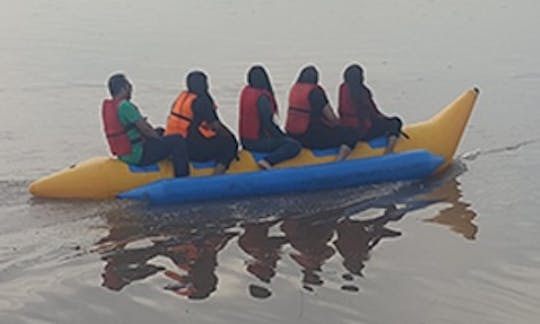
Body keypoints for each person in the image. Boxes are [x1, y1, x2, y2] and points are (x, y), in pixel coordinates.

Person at [101, 73, 189, 177]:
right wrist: (159, 140)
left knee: (161, 131)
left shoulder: (110, 107)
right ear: (124, 89)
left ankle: (167, 163)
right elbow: (146, 130)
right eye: (130, 87)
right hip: (138, 155)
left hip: (124, 154)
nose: (131, 90)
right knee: (177, 140)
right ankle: (182, 177)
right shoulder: (125, 106)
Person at [165, 71, 238, 175]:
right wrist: (230, 136)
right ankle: (220, 170)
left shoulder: (182, 97)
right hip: (194, 149)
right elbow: (215, 125)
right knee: (229, 143)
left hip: (176, 146)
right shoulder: (202, 100)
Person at [285, 66, 357, 161]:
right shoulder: (315, 92)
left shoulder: (294, 89)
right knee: (351, 135)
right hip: (311, 137)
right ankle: (339, 160)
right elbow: (331, 117)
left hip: (292, 135)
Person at [239, 65, 301, 170]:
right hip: (257, 142)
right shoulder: (262, 98)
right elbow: (268, 124)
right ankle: (268, 161)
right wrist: (283, 137)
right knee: (294, 145)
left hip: (245, 141)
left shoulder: (246, 91)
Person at [338, 64, 403, 154]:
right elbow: (373, 113)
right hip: (364, 132)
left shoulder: (343, 88)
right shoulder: (363, 92)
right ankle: (389, 151)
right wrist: (386, 119)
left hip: (348, 129)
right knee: (395, 122)